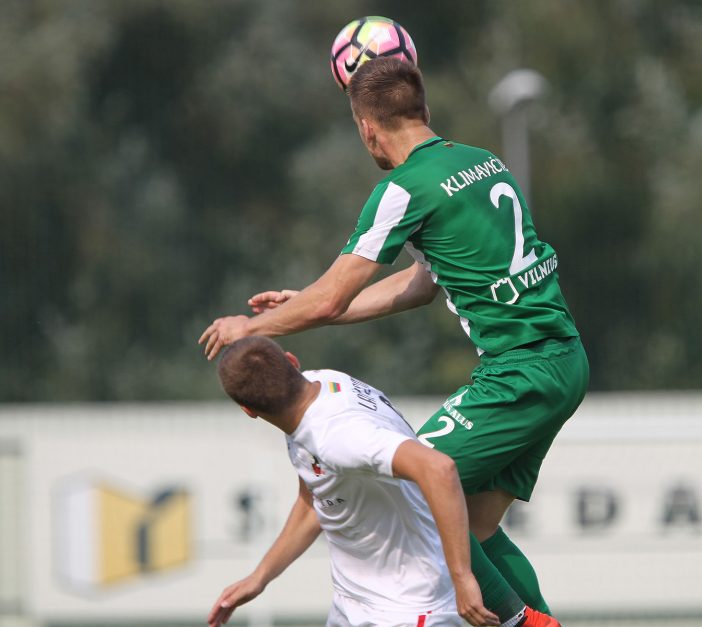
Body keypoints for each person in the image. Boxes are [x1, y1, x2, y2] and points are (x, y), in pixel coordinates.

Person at [199, 56, 589, 627]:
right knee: (474, 526)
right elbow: (419, 285)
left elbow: (333, 294)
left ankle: (523, 622)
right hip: (563, 359)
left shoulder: (402, 190)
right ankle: (535, 617)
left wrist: (250, 327)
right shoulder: (483, 162)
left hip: (517, 371)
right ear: (424, 110)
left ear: (366, 129)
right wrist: (311, 304)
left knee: (422, 488)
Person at [206, 336, 499, 627]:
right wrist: (260, 577)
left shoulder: (337, 436)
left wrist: (463, 576)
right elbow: (314, 501)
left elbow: (439, 468)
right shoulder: (317, 386)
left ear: (248, 410)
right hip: (352, 603)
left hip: (409, 608)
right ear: (292, 362)